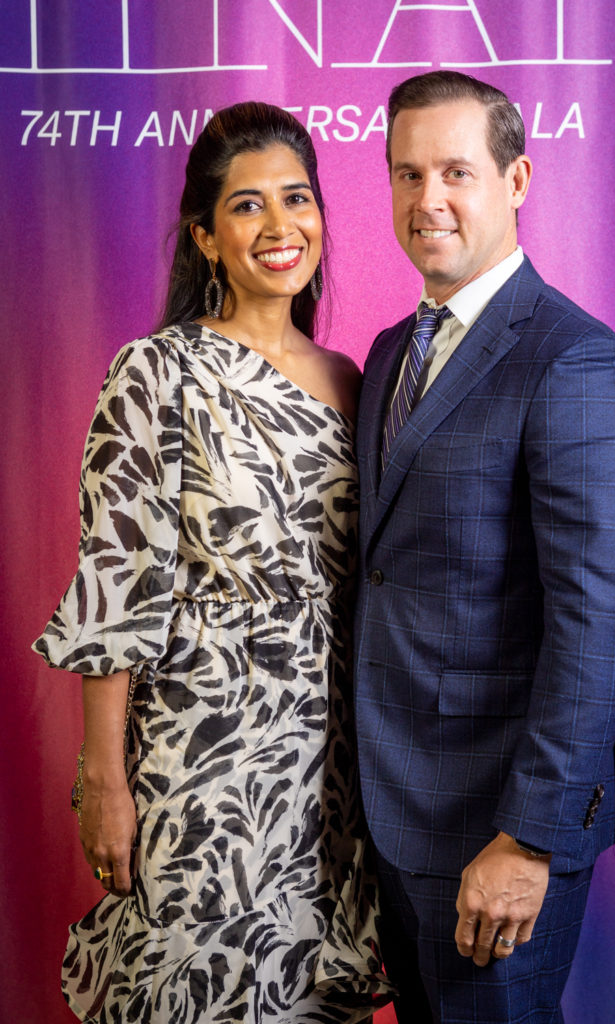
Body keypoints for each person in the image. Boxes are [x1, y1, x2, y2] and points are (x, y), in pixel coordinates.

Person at [33, 101, 393, 1024]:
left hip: (329, 767)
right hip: (201, 752)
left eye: (296, 198)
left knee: (307, 995)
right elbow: (117, 581)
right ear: (204, 236)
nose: (279, 226)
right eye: (246, 205)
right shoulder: (156, 372)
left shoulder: (354, 382)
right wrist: (105, 780)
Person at [353, 70, 615, 1024]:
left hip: (497, 826)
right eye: (407, 174)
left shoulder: (577, 362)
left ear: (516, 179)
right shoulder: (388, 353)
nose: (427, 200)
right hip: (390, 811)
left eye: (455, 171)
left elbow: (600, 621)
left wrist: (528, 839)